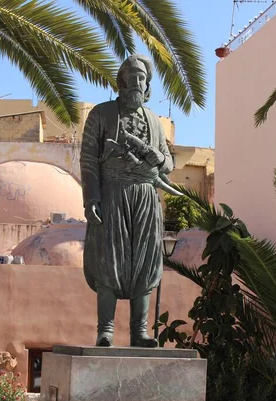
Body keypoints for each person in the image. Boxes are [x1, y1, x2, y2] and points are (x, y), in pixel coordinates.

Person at [80, 55, 174, 347]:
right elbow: (87, 160)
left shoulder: (156, 123)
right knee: (110, 260)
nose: (136, 81)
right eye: (131, 76)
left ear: (147, 85)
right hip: (112, 194)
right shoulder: (101, 114)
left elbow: (167, 164)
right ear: (121, 81)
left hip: (145, 197)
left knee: (145, 262)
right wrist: (91, 198)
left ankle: (139, 331)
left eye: (141, 77)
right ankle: (105, 330)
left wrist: (154, 157)